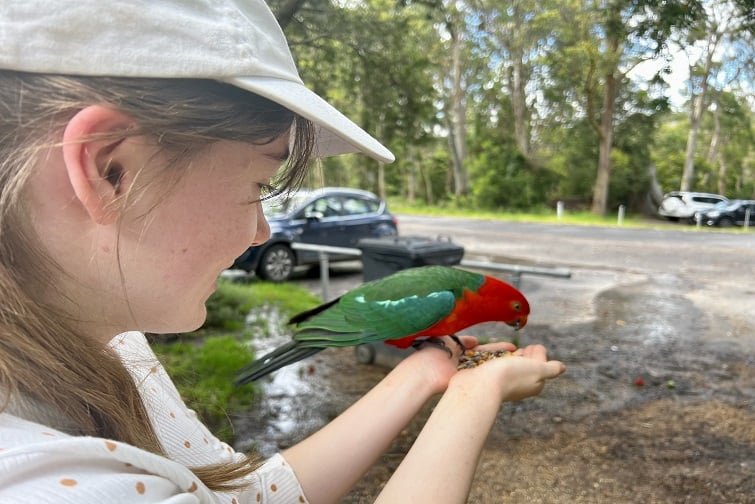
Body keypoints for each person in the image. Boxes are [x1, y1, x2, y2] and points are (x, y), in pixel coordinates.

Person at [0, 1, 565, 502]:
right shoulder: (39, 482)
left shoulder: (116, 348)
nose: (261, 233)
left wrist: (429, 375)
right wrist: (472, 402)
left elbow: (244, 495)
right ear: (112, 169)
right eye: (259, 189)